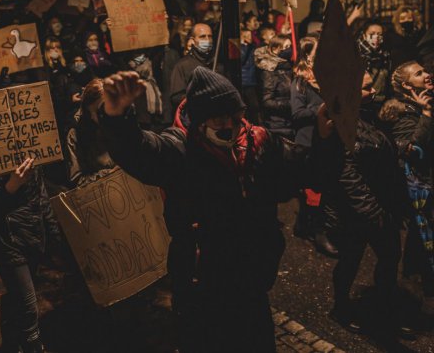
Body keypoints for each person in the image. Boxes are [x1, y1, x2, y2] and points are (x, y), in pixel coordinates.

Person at [99, 68, 308, 352]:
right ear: (199, 121)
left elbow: (298, 173)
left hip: (251, 282)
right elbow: (142, 152)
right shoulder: (180, 150)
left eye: (235, 116)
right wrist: (118, 118)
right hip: (203, 286)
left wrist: (324, 134)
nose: (230, 126)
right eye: (219, 118)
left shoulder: (259, 142)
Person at [311, 73, 408, 334]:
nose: (374, 90)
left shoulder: (368, 113)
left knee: (389, 257)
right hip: (354, 211)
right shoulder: (336, 122)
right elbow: (345, 172)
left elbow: (381, 151)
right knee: (351, 260)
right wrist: (370, 210)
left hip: (380, 206)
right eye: (366, 87)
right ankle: (341, 309)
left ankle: (385, 311)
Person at [0, 158, 60, 353]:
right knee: (29, 306)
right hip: (7, 242)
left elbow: (41, 196)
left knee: (18, 296)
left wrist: (52, 233)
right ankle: (34, 345)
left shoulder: (32, 159)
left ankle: (10, 344)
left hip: (32, 239)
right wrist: (11, 186)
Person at [379, 61, 434, 315]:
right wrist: (424, 116)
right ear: (405, 85)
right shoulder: (400, 111)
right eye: (419, 73)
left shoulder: (427, 100)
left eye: (425, 70)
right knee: (419, 239)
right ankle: (410, 303)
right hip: (418, 185)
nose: (427, 75)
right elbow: (413, 151)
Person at [289, 37, 337, 255]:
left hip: (327, 140)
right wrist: (321, 108)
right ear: (308, 57)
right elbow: (297, 113)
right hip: (308, 143)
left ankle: (304, 225)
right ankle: (319, 233)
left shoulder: (328, 78)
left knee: (324, 186)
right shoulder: (300, 82)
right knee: (313, 190)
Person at [66, 78, 117, 187]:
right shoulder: (76, 134)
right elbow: (77, 180)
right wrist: (110, 174)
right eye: (100, 111)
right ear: (88, 112)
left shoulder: (118, 122)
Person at [169, 23, 220, 111]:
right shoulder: (182, 65)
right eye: (202, 36)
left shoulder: (217, 64)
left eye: (210, 36)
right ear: (192, 40)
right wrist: (200, 97)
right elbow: (176, 97)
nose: (207, 40)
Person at [256, 34, 294, 139]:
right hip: (277, 124)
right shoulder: (269, 71)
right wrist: (291, 103)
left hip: (290, 121)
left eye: (290, 46)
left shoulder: (289, 67)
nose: (289, 50)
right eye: (286, 47)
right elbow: (267, 101)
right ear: (275, 49)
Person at [358, 20, 392, 109]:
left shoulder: (385, 54)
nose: (376, 37)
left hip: (380, 103)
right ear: (364, 35)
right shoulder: (355, 53)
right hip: (362, 103)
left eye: (379, 34)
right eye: (372, 33)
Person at [240, 28, 260, 124]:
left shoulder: (252, 47)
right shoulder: (242, 47)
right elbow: (241, 59)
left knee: (254, 107)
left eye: (250, 35)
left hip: (251, 80)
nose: (249, 38)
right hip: (244, 81)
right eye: (246, 36)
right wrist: (245, 46)